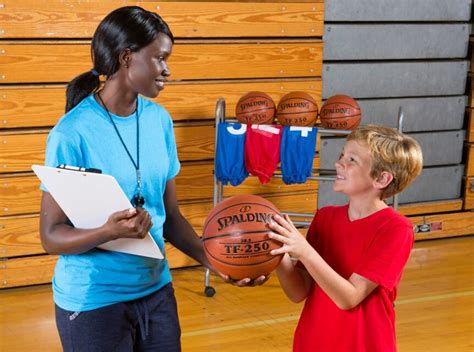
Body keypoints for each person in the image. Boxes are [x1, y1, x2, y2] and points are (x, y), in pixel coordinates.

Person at [39, 6, 264, 352]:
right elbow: (51, 236)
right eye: (160, 58)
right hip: (93, 301)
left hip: (156, 292)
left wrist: (219, 261)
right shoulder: (72, 133)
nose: (167, 69)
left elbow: (170, 218)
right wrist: (108, 232)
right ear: (127, 57)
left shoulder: (159, 120)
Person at [268, 125, 423, 351]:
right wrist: (278, 251)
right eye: (342, 155)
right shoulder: (325, 218)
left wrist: (303, 249)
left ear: (381, 178)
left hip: (363, 345)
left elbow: (349, 297)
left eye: (352, 160)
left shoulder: (396, 229)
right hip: (313, 341)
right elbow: (298, 292)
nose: (338, 163)